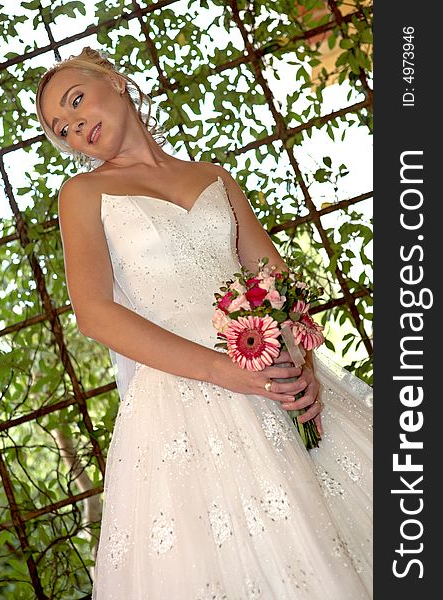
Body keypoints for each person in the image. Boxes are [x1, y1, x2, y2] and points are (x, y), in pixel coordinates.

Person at [36, 47, 372, 599]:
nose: (74, 128)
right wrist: (223, 371)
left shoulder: (214, 177)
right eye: (61, 128)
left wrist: (303, 363)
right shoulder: (82, 194)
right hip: (185, 399)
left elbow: (273, 277)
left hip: (276, 377)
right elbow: (94, 315)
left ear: (116, 82)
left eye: (76, 102)